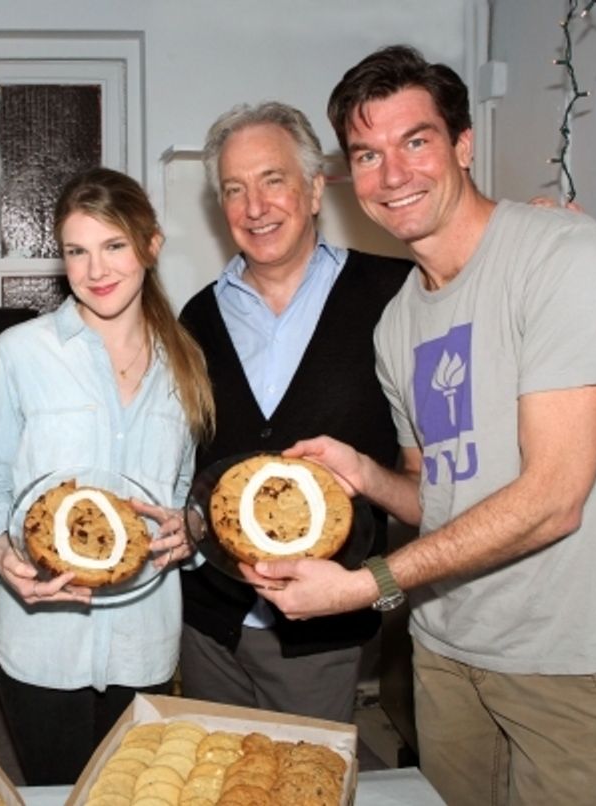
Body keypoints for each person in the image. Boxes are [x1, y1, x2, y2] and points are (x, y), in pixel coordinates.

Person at [253, 45, 596, 805]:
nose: (393, 175)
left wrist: (366, 584)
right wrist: (365, 475)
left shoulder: (566, 261)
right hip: (445, 650)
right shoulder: (399, 323)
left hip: (568, 658)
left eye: (417, 141)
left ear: (463, 144)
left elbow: (553, 498)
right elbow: (435, 491)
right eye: (367, 154)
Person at [0, 167, 213, 785]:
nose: (96, 270)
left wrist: (193, 526)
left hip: (145, 641)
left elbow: (182, 497)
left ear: (151, 244)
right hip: (42, 645)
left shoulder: (187, 360)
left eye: (114, 245)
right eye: (77, 250)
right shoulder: (20, 352)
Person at [177, 101, 412, 724]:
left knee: (306, 782)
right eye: (235, 189)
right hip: (207, 626)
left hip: (321, 632)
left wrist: (528, 233)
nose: (254, 207)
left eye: (272, 180)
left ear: (313, 190)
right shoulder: (195, 320)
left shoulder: (395, 293)